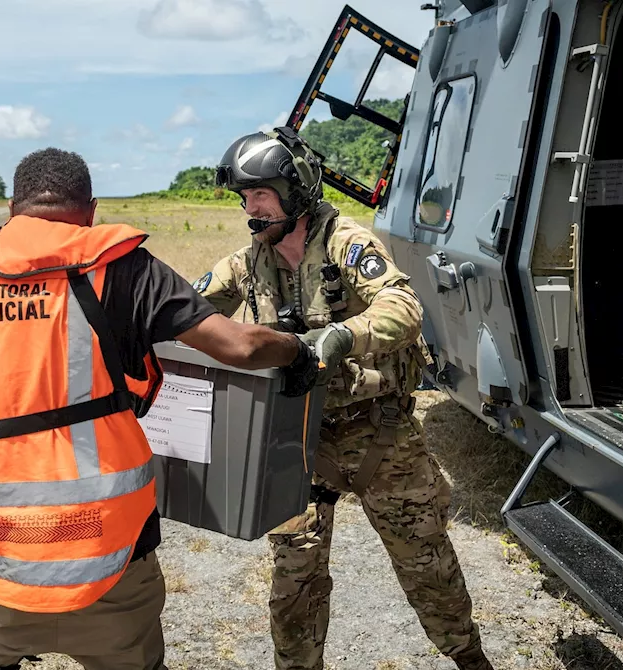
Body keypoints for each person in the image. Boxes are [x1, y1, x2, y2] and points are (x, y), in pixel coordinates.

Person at [0, 147, 319, 670]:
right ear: (91, 212)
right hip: (105, 553)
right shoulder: (117, 263)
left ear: (11, 209)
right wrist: (298, 350)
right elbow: (241, 347)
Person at [195, 127, 493, 670]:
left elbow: (403, 305)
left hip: (377, 431)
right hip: (297, 436)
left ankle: (470, 658)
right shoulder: (250, 260)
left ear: (296, 190)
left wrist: (339, 337)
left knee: (427, 565)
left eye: (260, 195)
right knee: (294, 579)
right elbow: (189, 306)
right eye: (245, 198)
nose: (251, 210)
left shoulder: (346, 243)